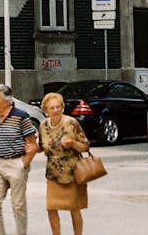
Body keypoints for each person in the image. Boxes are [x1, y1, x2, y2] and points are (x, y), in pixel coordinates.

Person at [0, 83, 38, 235]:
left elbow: (32, 145)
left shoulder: (21, 117)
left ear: (6, 102)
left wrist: (23, 164)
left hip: (16, 162)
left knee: (18, 205)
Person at [38, 91, 90, 235]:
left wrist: (73, 143)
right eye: (51, 108)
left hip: (72, 171)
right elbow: (41, 146)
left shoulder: (71, 123)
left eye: (58, 107)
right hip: (53, 172)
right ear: (46, 110)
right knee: (51, 207)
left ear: (62, 107)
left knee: (74, 208)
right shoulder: (42, 125)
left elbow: (85, 146)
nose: (55, 110)